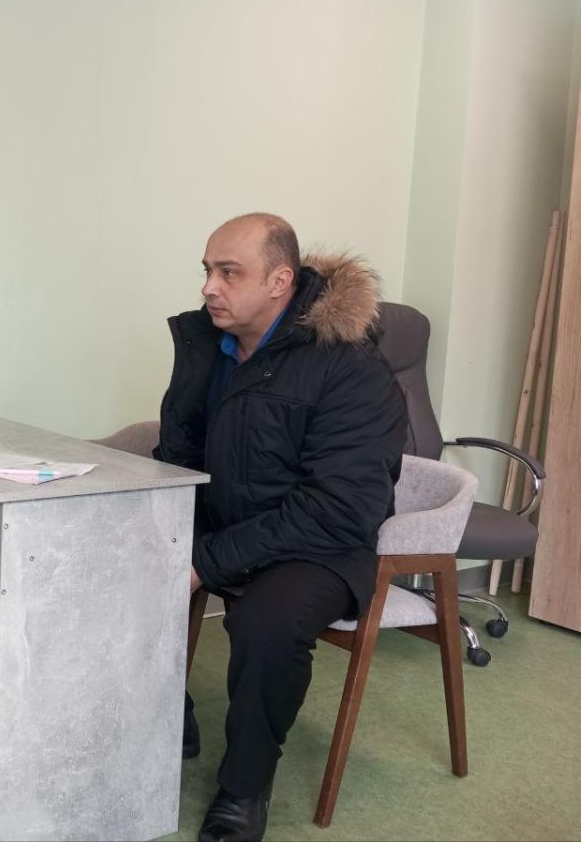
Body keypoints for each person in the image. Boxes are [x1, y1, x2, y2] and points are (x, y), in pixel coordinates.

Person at [155, 213, 407, 842]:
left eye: (228, 272)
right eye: (207, 271)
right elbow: (183, 451)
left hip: (320, 545)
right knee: (112, 557)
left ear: (279, 281)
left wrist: (204, 562)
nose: (209, 287)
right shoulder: (207, 346)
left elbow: (341, 507)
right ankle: (169, 714)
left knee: (266, 623)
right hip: (228, 522)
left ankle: (244, 788)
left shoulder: (351, 369)